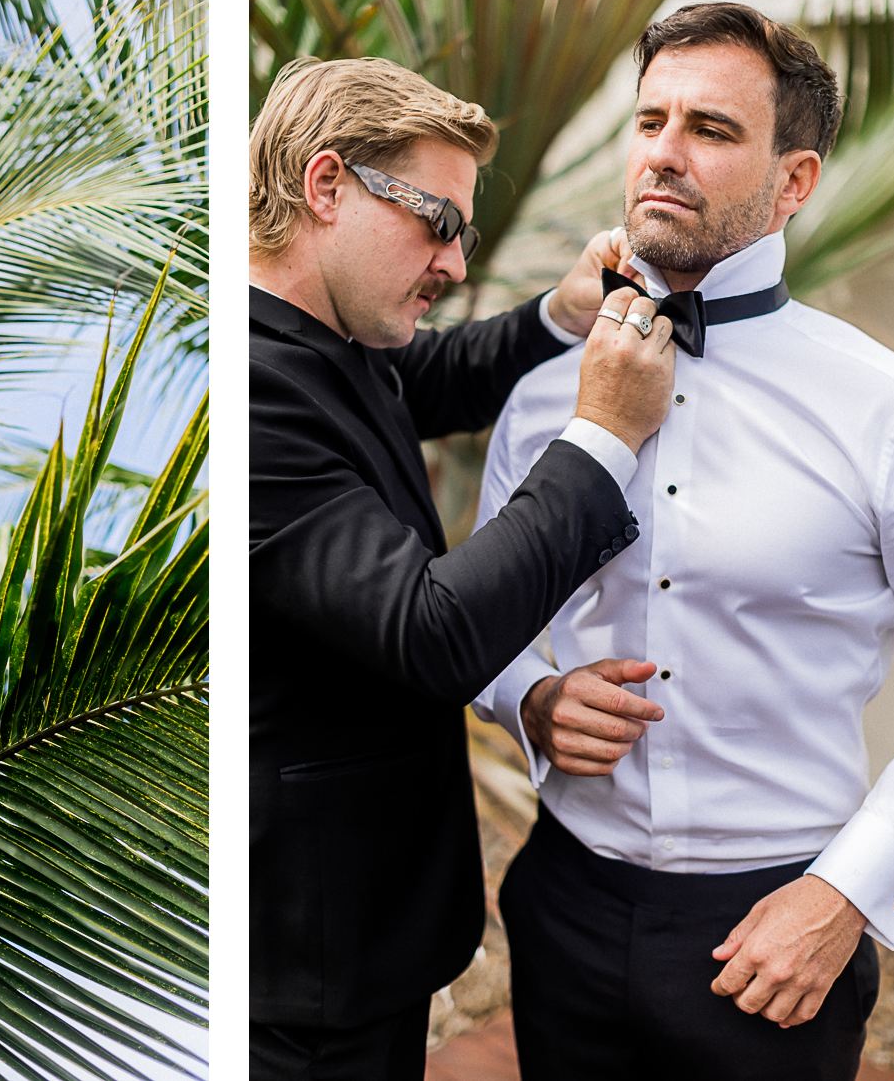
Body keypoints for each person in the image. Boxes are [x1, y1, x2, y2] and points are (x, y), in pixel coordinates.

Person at [475, 1, 894, 1080]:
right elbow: (491, 614)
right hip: (562, 907)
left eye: (711, 130)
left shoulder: (893, 412)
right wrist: (527, 698)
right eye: (650, 121)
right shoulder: (544, 391)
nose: (663, 155)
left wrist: (844, 894)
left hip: (777, 927)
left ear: (794, 181)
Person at [249, 55, 678, 1080]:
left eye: (464, 234)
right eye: (436, 222)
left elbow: (417, 377)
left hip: (363, 942)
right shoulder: (253, 397)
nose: (450, 261)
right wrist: (604, 435)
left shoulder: (322, 336)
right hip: (302, 983)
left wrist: (558, 316)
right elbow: (433, 633)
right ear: (325, 187)